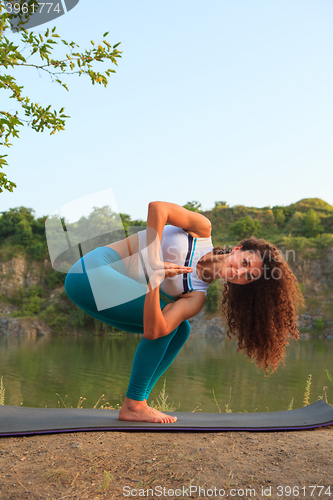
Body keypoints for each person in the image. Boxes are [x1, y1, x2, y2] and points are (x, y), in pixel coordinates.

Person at [64, 201, 304, 424]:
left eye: (249, 277)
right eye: (245, 263)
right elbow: (158, 208)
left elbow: (154, 331)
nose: (240, 273)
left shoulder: (195, 296)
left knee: (179, 329)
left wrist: (154, 282)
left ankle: (136, 403)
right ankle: (135, 405)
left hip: (100, 294)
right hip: (92, 271)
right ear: (239, 249)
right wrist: (154, 260)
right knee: (170, 321)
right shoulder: (200, 231)